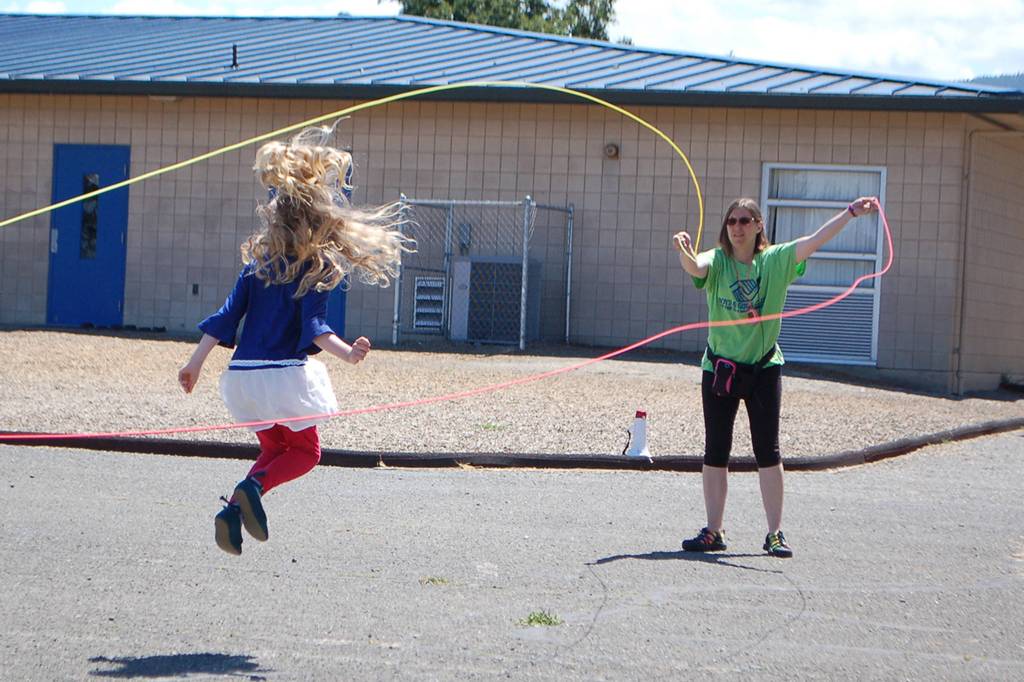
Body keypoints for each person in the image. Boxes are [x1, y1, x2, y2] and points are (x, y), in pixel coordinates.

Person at [178, 125, 413, 556]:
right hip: (282, 376)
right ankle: (251, 489)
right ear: (319, 221)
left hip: (242, 379)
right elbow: (315, 329)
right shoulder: (315, 265)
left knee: (275, 448)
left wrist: (194, 363)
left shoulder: (256, 265)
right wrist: (350, 354)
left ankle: (233, 511)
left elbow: (226, 317)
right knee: (306, 453)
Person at [672, 196, 878, 558]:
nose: (737, 228)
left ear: (758, 226)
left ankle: (774, 533)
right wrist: (684, 251)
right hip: (720, 368)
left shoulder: (776, 260)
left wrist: (849, 214)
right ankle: (713, 531)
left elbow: (815, 240)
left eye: (744, 221)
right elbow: (696, 268)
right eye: (731, 221)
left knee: (768, 451)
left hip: (764, 368)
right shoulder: (718, 260)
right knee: (716, 449)